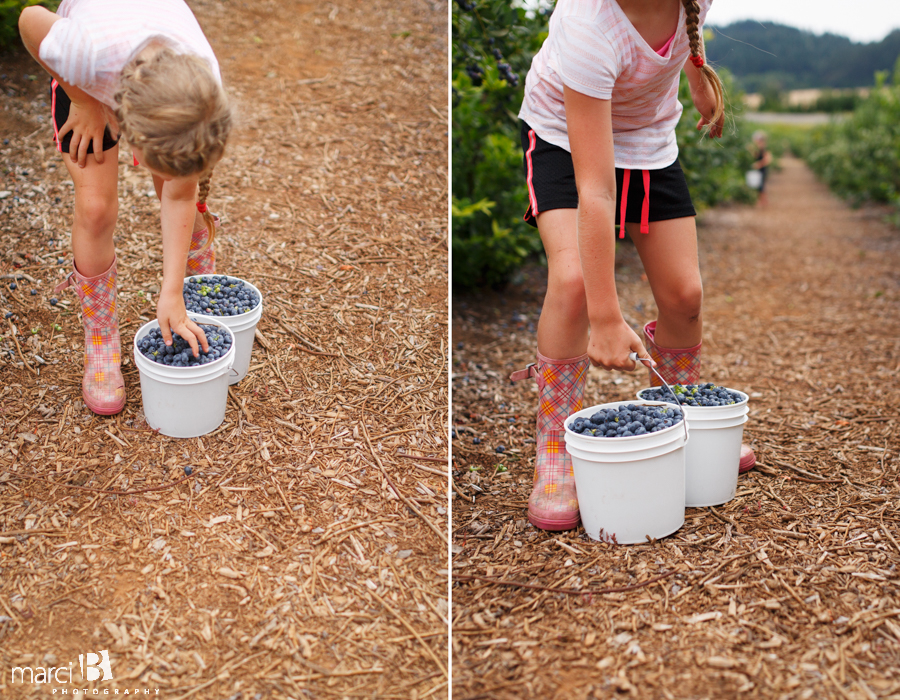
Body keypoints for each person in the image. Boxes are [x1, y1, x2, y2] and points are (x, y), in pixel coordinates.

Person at [510, 0, 754, 531]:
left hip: (647, 142)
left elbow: (690, 27)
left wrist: (696, 76)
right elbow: (596, 190)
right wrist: (604, 318)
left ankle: (684, 418)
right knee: (574, 283)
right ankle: (555, 449)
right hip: (564, 137)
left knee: (685, 296)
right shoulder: (588, 23)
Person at [18, 0, 233, 416]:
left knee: (176, 187)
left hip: (147, 69)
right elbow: (29, 19)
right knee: (96, 207)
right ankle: (100, 333)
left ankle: (195, 247)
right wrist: (82, 101)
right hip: (88, 80)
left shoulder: (202, 88)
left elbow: (178, 192)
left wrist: (171, 291)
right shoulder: (82, 53)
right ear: (128, 130)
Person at [750, 130, 772, 206]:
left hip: (762, 169)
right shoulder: (757, 149)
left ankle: (763, 202)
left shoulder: (764, 149)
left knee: (761, 186)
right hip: (759, 170)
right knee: (759, 186)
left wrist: (759, 164)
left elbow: (768, 159)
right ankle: (762, 201)